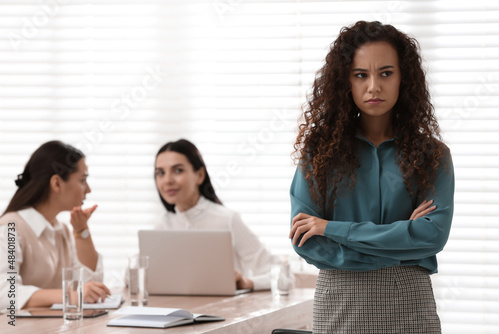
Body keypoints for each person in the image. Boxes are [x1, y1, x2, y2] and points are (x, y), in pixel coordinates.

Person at [289, 21, 454, 333]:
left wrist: (331, 228)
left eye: (386, 73)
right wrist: (402, 243)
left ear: (404, 79)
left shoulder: (434, 156)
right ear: (345, 81)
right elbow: (306, 243)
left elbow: (432, 236)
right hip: (339, 304)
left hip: (410, 307)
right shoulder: (318, 153)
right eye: (361, 74)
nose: (373, 86)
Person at [154, 139, 279, 291]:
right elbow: (135, 274)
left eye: (178, 170)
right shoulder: (164, 224)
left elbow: (282, 276)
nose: (167, 180)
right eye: (160, 173)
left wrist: (246, 283)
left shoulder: (227, 220)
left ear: (200, 175)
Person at [0, 140, 110, 311]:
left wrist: (81, 231)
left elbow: (90, 287)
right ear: (57, 183)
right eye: (82, 180)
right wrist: (69, 295)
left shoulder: (62, 231)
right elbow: (5, 292)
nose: (88, 189)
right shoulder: (10, 228)